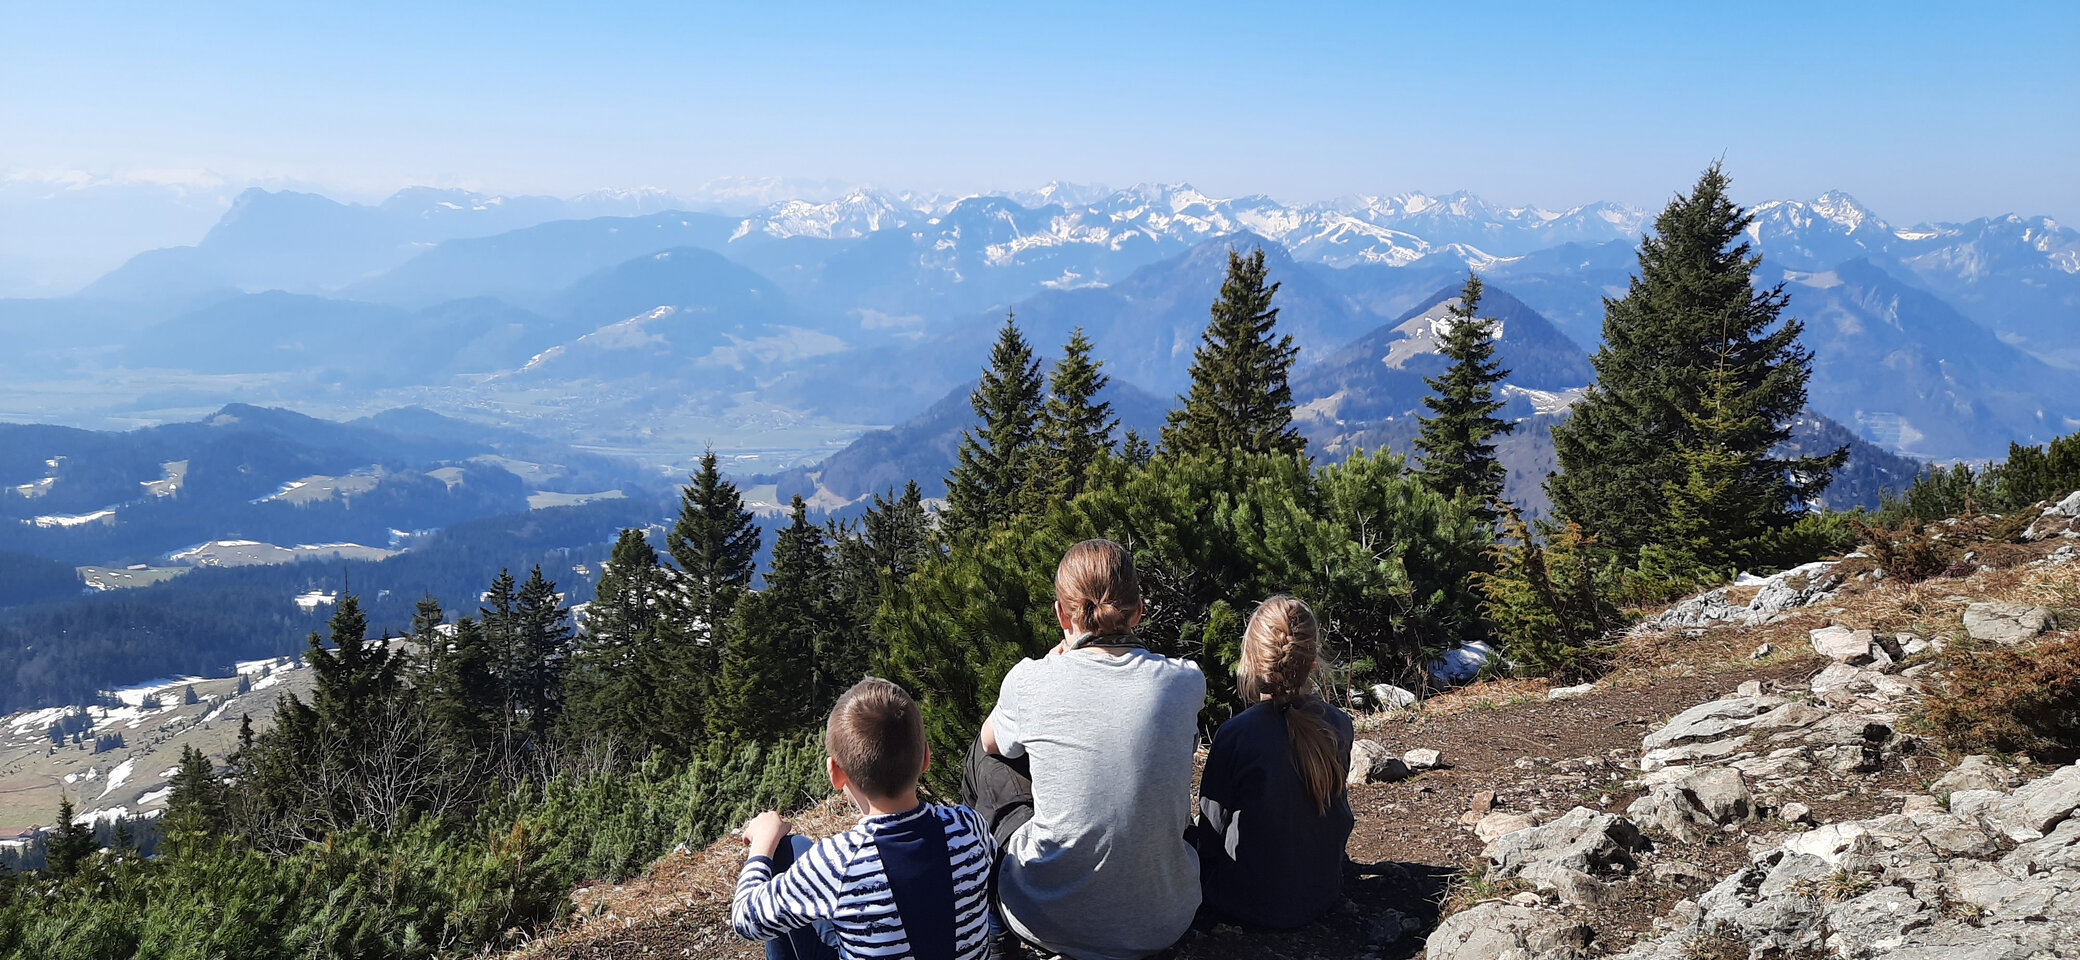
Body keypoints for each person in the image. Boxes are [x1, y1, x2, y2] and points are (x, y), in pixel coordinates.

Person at [963, 538, 1206, 960]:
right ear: (1138, 611)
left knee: (985, 757)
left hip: (1044, 917)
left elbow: (990, 741)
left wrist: (1048, 666)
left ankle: (989, 913)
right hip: (1166, 919)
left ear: (1061, 613)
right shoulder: (1185, 681)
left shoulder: (1030, 681)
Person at [732, 677, 996, 960]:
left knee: (787, 851)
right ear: (925, 757)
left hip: (837, 894)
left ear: (835, 773)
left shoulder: (836, 863)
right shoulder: (968, 826)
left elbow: (745, 920)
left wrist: (762, 844)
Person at [1194, 596, 1354, 929]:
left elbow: (1211, 833)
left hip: (1248, 902)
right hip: (1323, 890)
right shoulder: (1338, 724)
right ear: (1312, 661)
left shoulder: (1235, 735)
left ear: (1251, 662)